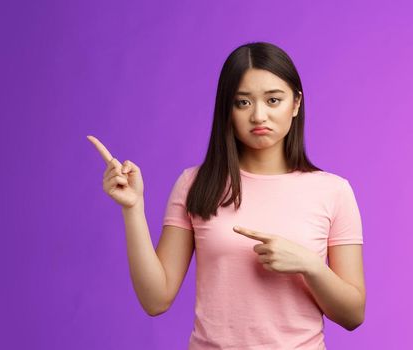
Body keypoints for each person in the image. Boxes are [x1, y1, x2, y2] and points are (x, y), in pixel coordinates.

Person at [86, 41, 365, 349]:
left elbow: (353, 314)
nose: (259, 115)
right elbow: (156, 299)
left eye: (274, 100)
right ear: (227, 109)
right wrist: (133, 209)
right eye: (243, 102)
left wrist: (309, 265)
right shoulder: (196, 183)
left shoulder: (333, 190)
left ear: (296, 103)